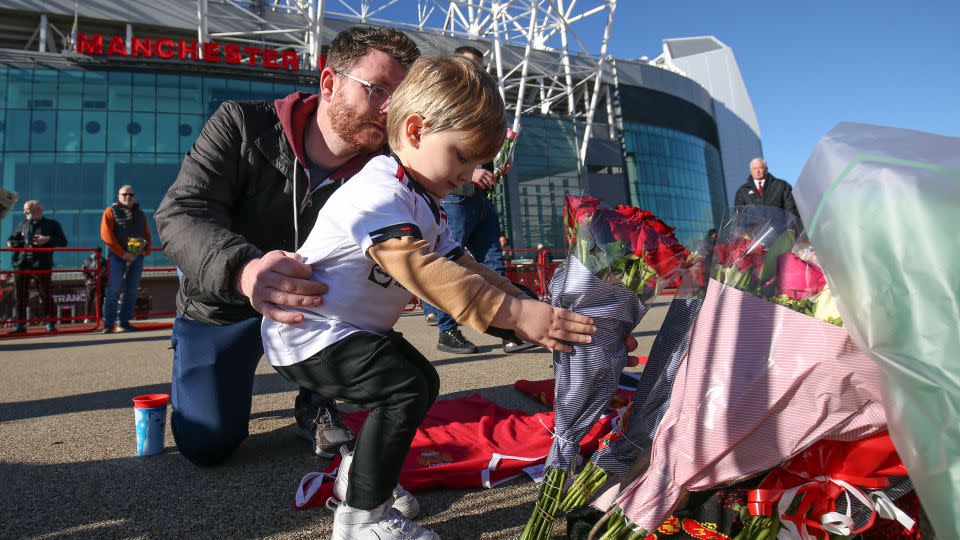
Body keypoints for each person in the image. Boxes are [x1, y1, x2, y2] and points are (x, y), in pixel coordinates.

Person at [261, 55, 597, 540]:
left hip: (344, 332)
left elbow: (470, 268)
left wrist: (539, 315)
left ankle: (360, 478)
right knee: (405, 388)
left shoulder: (425, 204)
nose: (469, 173)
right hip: (309, 334)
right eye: (462, 156)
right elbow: (423, 269)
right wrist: (520, 316)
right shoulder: (378, 190)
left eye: (479, 162)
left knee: (417, 381)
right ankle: (361, 522)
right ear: (415, 131)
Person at [153, 26, 420, 466]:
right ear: (330, 83)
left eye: (400, 97)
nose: (389, 109)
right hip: (223, 302)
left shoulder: (386, 167)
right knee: (207, 446)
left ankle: (316, 400)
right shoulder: (240, 123)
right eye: (377, 90)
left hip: (319, 309)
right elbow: (181, 214)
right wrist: (246, 271)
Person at [420, 45, 527, 354]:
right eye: (470, 65)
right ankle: (447, 330)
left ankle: (510, 330)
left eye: (480, 67)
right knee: (447, 260)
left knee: (494, 261)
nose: (477, 72)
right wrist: (472, 172)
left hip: (481, 198)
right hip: (456, 196)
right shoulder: (444, 100)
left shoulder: (482, 103)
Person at [6, 200, 67, 334]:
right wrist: (10, 242)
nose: (25, 212)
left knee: (46, 294)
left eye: (28, 209)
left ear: (39, 209)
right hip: (21, 264)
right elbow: (13, 237)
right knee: (20, 295)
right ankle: (20, 325)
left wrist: (47, 239)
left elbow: (63, 241)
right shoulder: (23, 223)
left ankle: (50, 324)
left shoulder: (52, 224)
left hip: (42, 264)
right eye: (25, 210)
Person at [100, 186, 151, 333]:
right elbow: (106, 235)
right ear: (118, 196)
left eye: (131, 194)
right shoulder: (110, 211)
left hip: (137, 256)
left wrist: (144, 251)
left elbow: (146, 234)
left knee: (132, 290)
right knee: (113, 290)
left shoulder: (140, 214)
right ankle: (108, 324)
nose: (128, 197)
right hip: (117, 257)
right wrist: (122, 253)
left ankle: (124, 322)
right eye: (125, 194)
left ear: (134, 197)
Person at [734, 158, 801, 221]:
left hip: (779, 229)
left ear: (766, 169)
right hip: (754, 231)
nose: (757, 171)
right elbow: (739, 216)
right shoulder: (742, 191)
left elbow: (791, 209)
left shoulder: (781, 186)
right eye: (754, 169)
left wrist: (792, 228)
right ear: (751, 171)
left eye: (760, 168)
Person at [82, 249, 105, 323]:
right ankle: (87, 317)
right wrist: (88, 279)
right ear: (93, 252)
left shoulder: (103, 260)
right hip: (90, 283)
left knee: (99, 300)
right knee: (89, 299)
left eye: (99, 253)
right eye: (96, 252)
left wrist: (100, 277)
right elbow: (84, 270)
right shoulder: (87, 260)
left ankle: (99, 316)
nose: (97, 254)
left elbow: (105, 270)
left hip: (99, 282)